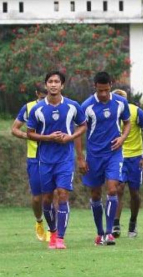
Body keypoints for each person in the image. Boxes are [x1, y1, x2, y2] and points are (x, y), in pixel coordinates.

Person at [26, 71, 87, 249]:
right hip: (44, 160)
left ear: (62, 85)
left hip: (65, 159)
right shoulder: (37, 109)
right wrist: (48, 137)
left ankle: (60, 237)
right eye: (50, 82)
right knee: (46, 199)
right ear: (46, 85)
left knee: (62, 194)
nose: (53, 84)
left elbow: (83, 126)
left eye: (57, 82)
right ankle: (52, 231)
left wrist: (70, 137)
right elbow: (29, 133)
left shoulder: (73, 106)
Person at [78, 72, 131, 246]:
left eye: (106, 90)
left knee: (112, 189)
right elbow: (78, 133)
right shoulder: (86, 106)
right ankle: (99, 233)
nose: (103, 94)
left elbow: (127, 122)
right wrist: (80, 158)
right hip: (93, 156)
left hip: (114, 154)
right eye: (100, 90)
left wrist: (122, 138)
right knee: (95, 193)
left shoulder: (120, 102)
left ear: (111, 85)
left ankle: (108, 233)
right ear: (95, 87)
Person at [111, 89, 143, 238]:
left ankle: (133, 222)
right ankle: (115, 223)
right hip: (117, 156)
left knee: (134, 192)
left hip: (135, 157)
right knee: (118, 189)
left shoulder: (136, 112)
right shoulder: (111, 113)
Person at [11, 85, 48, 241]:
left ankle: (54, 230)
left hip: (53, 157)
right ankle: (39, 222)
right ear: (37, 94)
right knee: (37, 198)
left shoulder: (59, 106)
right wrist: (29, 136)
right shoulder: (28, 108)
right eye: (41, 96)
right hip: (34, 157)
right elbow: (15, 129)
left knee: (53, 195)